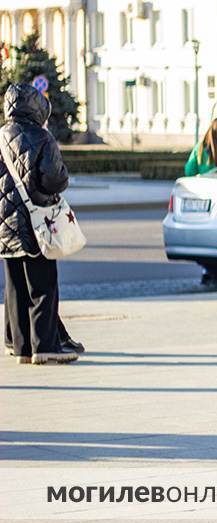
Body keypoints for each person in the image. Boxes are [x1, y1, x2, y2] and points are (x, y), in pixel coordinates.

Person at [0, 83, 78, 364]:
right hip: (36, 223)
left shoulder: (0, 136)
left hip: (5, 225)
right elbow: (54, 179)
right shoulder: (41, 138)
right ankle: (45, 347)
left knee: (15, 287)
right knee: (43, 285)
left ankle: (21, 348)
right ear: (35, 106)